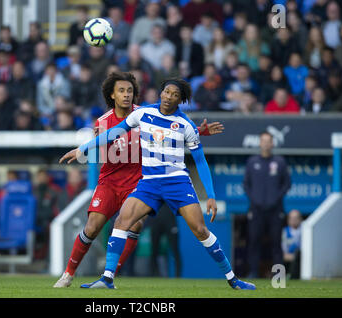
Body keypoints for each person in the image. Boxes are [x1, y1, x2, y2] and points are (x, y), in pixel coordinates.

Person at [61, 77, 254, 290]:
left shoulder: (186, 125)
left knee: (200, 230)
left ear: (180, 101)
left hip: (177, 183)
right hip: (149, 183)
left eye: (175, 95)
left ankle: (233, 279)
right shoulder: (143, 114)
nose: (169, 97)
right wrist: (83, 148)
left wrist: (210, 195)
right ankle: (107, 279)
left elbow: (200, 160)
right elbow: (112, 134)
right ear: (160, 93)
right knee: (121, 222)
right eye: (167, 92)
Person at [243, 131, 291, 278]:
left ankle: (279, 275)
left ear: (272, 143)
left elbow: (287, 184)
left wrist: (275, 199)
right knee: (254, 242)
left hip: (275, 210)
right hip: (256, 210)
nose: (265, 144)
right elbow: (246, 184)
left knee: (276, 243)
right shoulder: (252, 162)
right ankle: (253, 273)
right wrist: (255, 199)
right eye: (263, 141)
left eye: (268, 141)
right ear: (259, 143)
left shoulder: (280, 162)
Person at [282, 209, 302, 279]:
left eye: (296, 218)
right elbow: (283, 247)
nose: (293, 220)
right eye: (291, 218)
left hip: (300, 257)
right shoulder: (284, 231)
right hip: (288, 256)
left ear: (300, 219)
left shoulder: (305, 230)